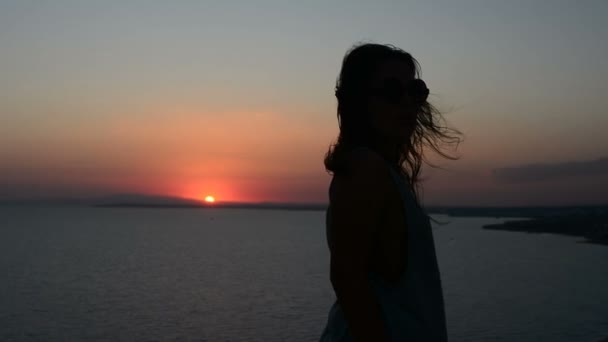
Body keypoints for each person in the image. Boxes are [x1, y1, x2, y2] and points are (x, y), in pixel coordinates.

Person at [319, 43, 462, 341]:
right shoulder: (365, 169)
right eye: (393, 91)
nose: (407, 103)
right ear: (359, 101)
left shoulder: (383, 173)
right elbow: (347, 278)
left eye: (415, 91)